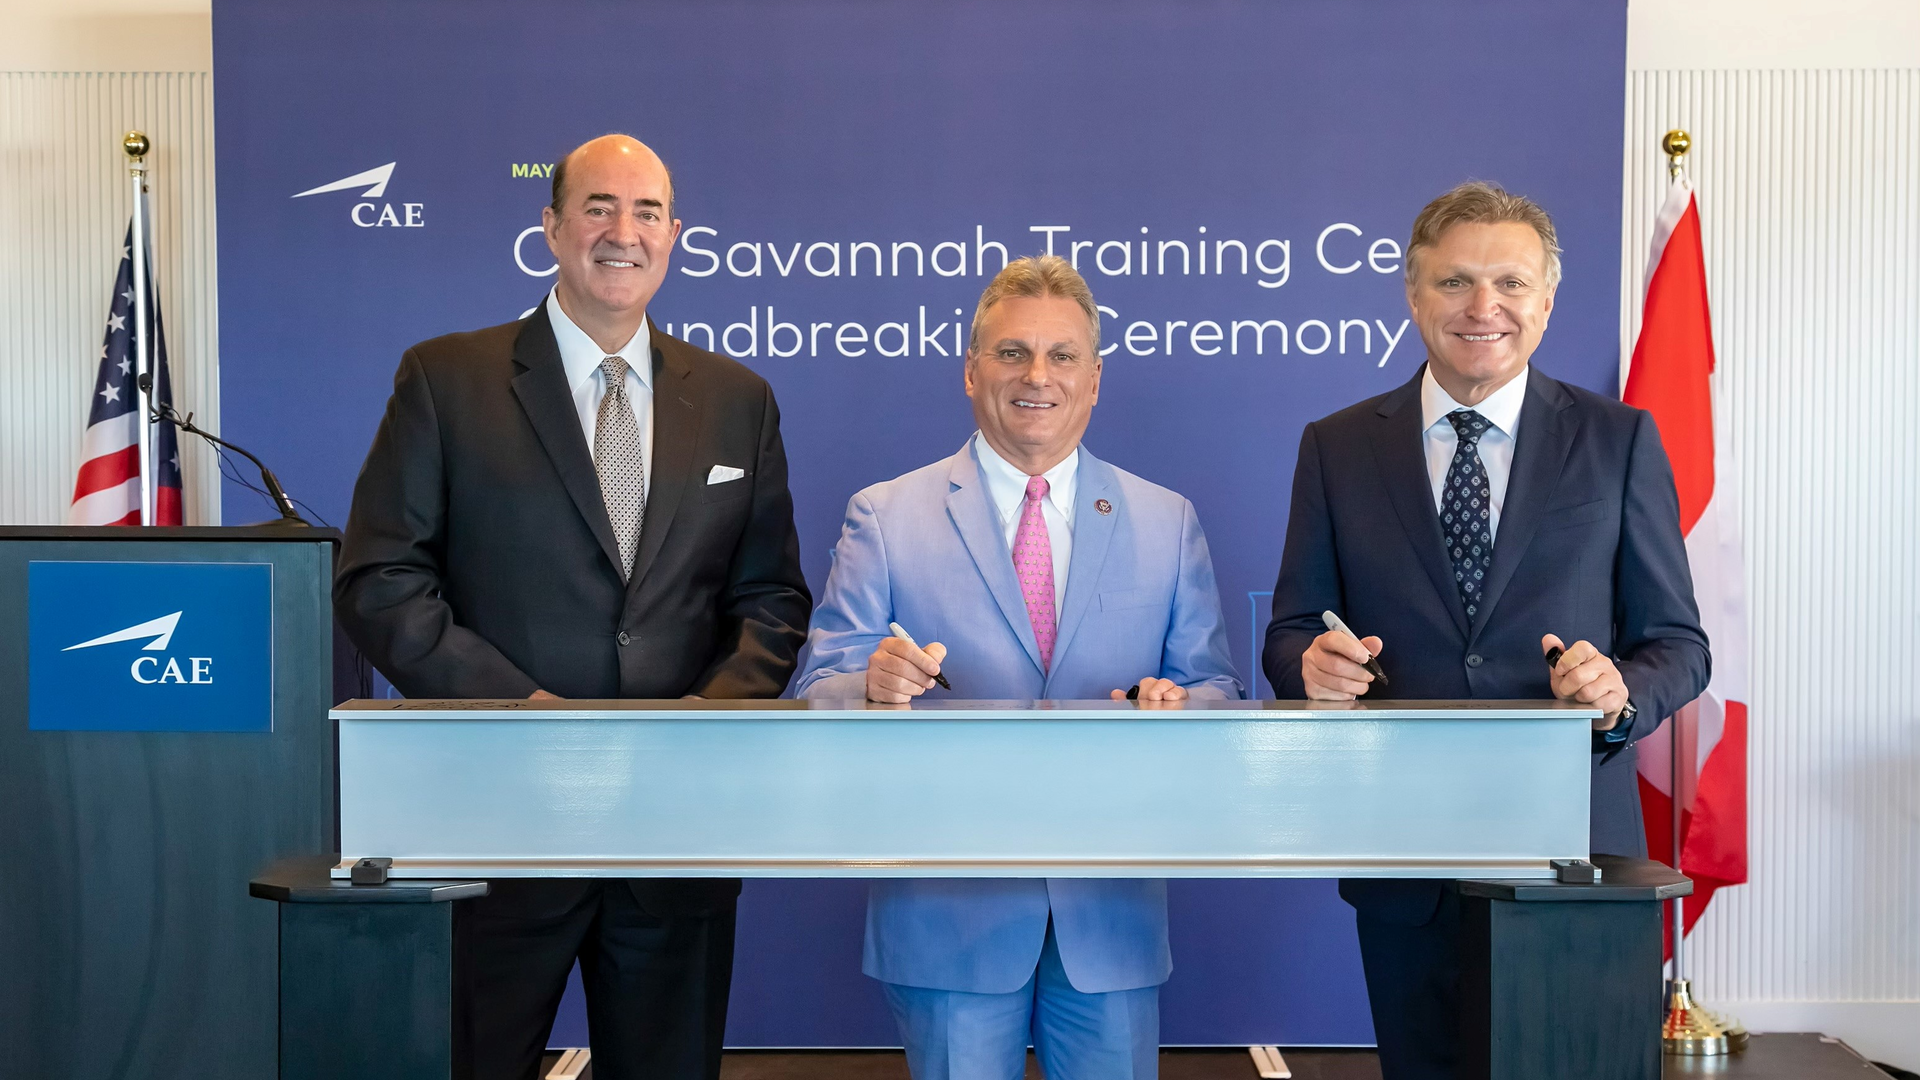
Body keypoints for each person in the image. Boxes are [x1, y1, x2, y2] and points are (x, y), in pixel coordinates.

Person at [334, 134, 811, 1080]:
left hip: (675, 836)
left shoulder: (736, 400)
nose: (621, 233)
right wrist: (522, 712)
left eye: (645, 212)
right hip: (498, 822)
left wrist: (705, 720)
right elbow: (379, 580)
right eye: (597, 207)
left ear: (675, 235)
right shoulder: (446, 379)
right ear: (551, 227)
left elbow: (771, 597)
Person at [1261, 181, 1710, 1080]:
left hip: (1574, 851)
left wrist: (1620, 695)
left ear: (1546, 302)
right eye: (1456, 281)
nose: (1483, 307)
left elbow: (1679, 645)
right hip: (1405, 856)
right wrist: (1309, 664)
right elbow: (1291, 630)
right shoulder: (1338, 446)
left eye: (1510, 282)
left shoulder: (1618, 441)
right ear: (1414, 296)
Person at [795, 255, 1241, 1080]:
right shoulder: (885, 515)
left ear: (1095, 379)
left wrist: (1180, 703)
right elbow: (818, 685)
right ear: (971, 371)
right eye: (1011, 353)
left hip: (1108, 914)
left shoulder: (1165, 520)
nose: (1038, 376)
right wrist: (870, 685)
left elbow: (1215, 687)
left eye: (1063, 356)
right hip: (948, 915)